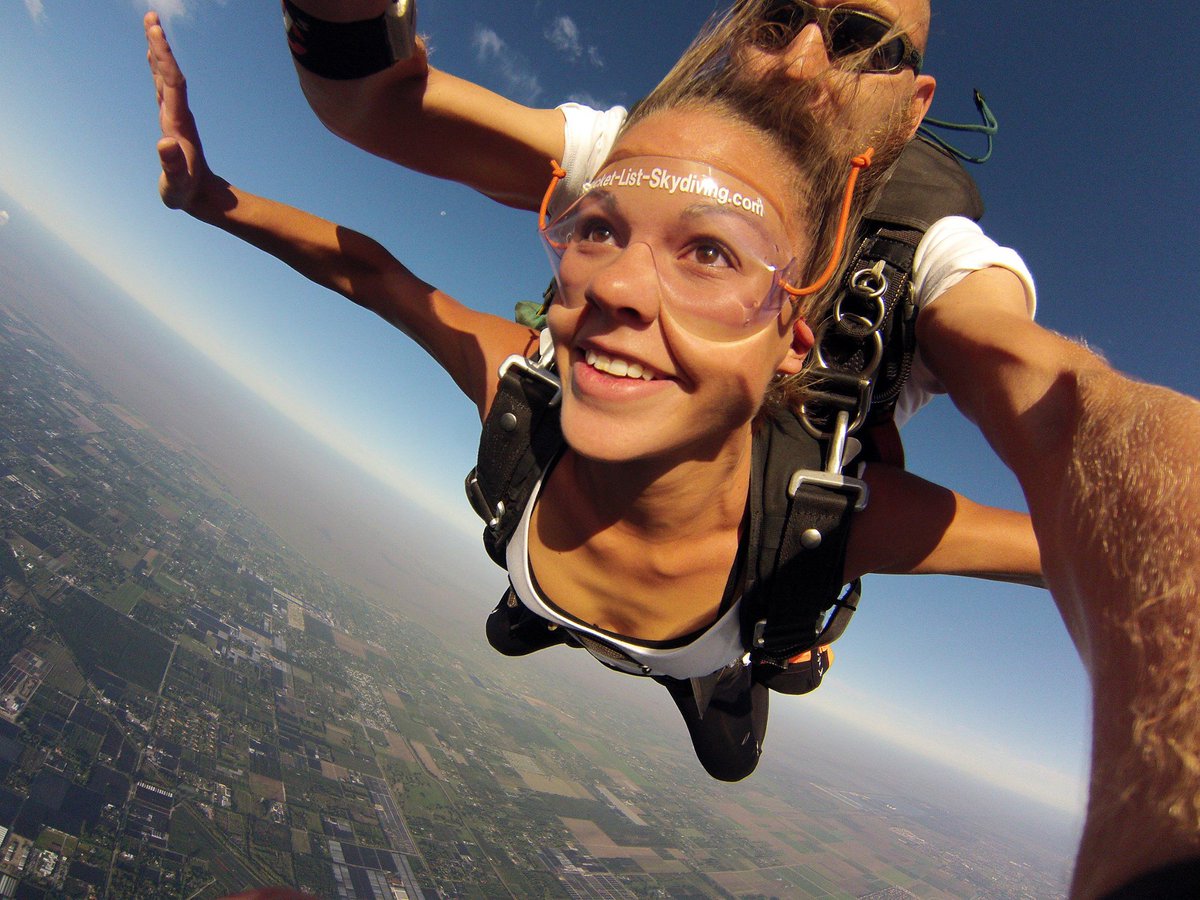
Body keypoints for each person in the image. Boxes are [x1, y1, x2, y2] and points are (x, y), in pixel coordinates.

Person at [276, 2, 1200, 895]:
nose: (800, 61)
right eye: (776, 16)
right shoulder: (655, 160)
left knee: (733, 684)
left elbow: (1061, 410)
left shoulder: (936, 258)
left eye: (858, 38)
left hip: (752, 548)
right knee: (545, 544)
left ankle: (715, 677)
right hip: (617, 487)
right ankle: (558, 603)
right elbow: (381, 106)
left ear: (915, 105)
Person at [146, 12, 1041, 787]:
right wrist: (209, 197)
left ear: (787, 349)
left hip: (721, 629)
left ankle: (710, 677)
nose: (620, 285)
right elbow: (373, 276)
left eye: (709, 254)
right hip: (604, 584)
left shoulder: (819, 517)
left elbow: (1073, 546)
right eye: (601, 229)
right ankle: (556, 614)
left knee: (731, 754)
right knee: (528, 616)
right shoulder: (530, 402)